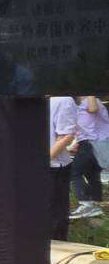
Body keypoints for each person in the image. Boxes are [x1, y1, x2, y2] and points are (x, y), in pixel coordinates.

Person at [69, 96, 105, 220]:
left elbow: (93, 109)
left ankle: (86, 204)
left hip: (92, 143)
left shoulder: (90, 102)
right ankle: (95, 204)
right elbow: (88, 127)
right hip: (94, 143)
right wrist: (76, 143)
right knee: (92, 174)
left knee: (74, 172)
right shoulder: (81, 106)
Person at [48, 96, 79, 241]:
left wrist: (44, 160)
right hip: (29, 166)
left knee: (54, 216)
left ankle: (57, 251)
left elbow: (66, 136)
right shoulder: (31, 98)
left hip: (54, 167)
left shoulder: (63, 99)